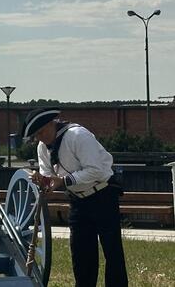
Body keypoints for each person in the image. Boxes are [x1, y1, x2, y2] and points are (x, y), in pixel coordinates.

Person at [23, 108, 128, 287]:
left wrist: (62, 181)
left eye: (41, 132)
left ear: (51, 123)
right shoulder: (42, 148)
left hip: (102, 194)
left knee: (112, 252)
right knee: (81, 255)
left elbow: (96, 170)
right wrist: (43, 182)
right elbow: (49, 177)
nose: (40, 138)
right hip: (78, 201)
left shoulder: (78, 135)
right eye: (36, 135)